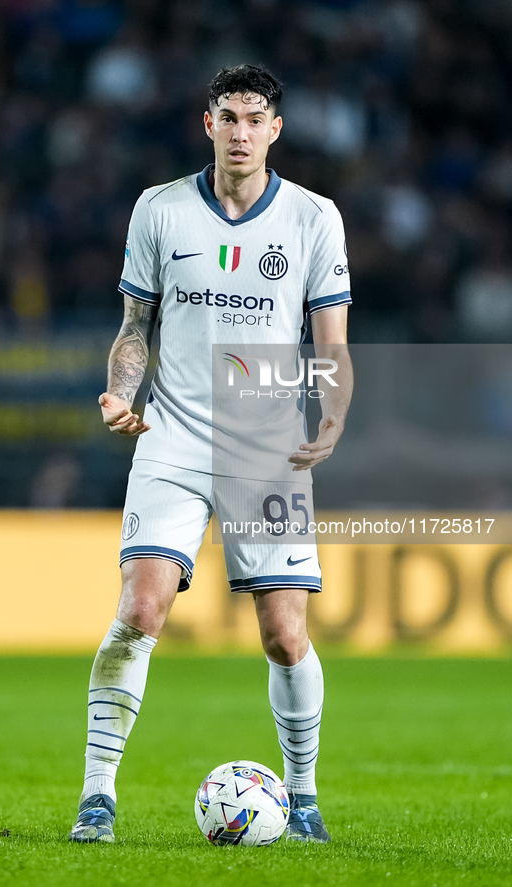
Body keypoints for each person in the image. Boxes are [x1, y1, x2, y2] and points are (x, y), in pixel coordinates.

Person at [68, 64, 353, 844]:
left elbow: (332, 343)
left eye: (252, 117)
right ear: (206, 124)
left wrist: (329, 419)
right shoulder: (159, 209)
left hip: (266, 447)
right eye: (225, 116)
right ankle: (97, 798)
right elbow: (135, 326)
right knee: (139, 609)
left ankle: (301, 798)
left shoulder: (312, 218)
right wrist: (121, 392)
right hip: (172, 438)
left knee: (284, 635)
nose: (238, 131)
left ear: (274, 129)